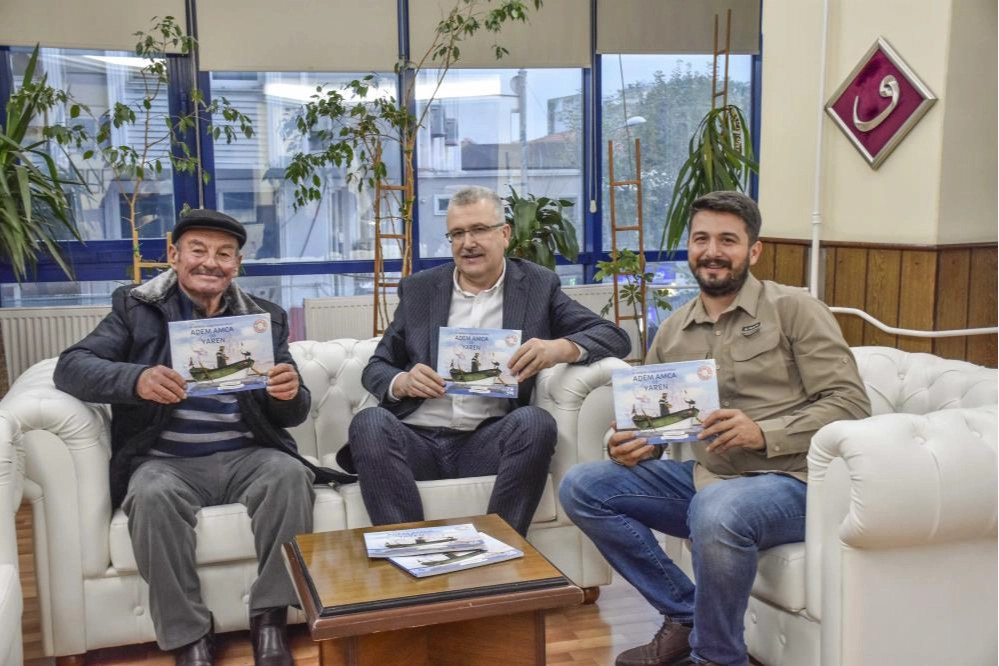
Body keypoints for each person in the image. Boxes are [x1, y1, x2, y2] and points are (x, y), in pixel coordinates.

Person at [559, 191, 872, 666]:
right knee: (583, 485)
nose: (712, 251)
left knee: (718, 507)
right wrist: (633, 443)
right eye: (701, 239)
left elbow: (850, 405)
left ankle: (717, 659)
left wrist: (764, 431)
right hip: (711, 479)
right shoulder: (673, 330)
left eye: (728, 240)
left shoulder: (795, 310)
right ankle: (685, 615)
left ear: (753, 250)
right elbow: (653, 427)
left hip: (798, 482)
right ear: (689, 247)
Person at [54, 210, 349, 666]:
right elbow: (71, 367)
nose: (210, 262)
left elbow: (291, 414)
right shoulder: (136, 308)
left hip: (248, 454)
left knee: (289, 475)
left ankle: (270, 619)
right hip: (165, 461)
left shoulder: (263, 318)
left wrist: (289, 392)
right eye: (198, 250)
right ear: (174, 255)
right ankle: (189, 635)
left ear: (237, 265)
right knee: (150, 493)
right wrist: (136, 379)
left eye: (224, 254)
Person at [341, 185, 631, 536]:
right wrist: (401, 382)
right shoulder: (420, 289)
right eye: (457, 233)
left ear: (505, 234)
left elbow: (614, 337)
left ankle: (502, 546)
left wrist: (558, 349)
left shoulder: (538, 286)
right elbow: (376, 367)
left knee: (535, 422)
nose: (468, 243)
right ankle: (411, 548)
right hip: (416, 441)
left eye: (479, 230)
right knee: (369, 422)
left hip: (486, 443)